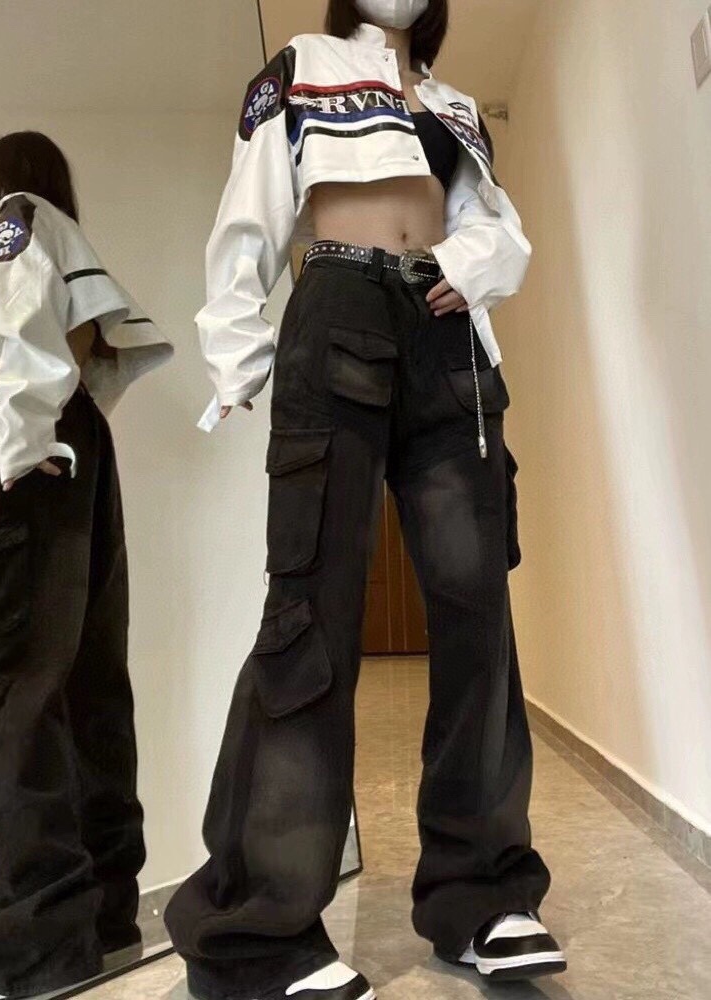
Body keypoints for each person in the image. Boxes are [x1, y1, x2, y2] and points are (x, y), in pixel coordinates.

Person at [164, 2, 565, 998]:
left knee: (478, 614)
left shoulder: (456, 104)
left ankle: (483, 896)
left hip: (447, 329)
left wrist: (470, 263)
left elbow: (497, 228)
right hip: (336, 301)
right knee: (310, 614)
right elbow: (251, 208)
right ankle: (260, 930)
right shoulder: (301, 63)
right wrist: (238, 351)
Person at [0, 131, 173, 1000]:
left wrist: (18, 444)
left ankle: (31, 949)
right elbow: (90, 351)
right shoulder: (64, 231)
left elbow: (21, 332)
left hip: (35, 449)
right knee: (87, 684)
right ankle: (103, 916)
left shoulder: (16, 216)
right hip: (81, 445)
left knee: (7, 686)